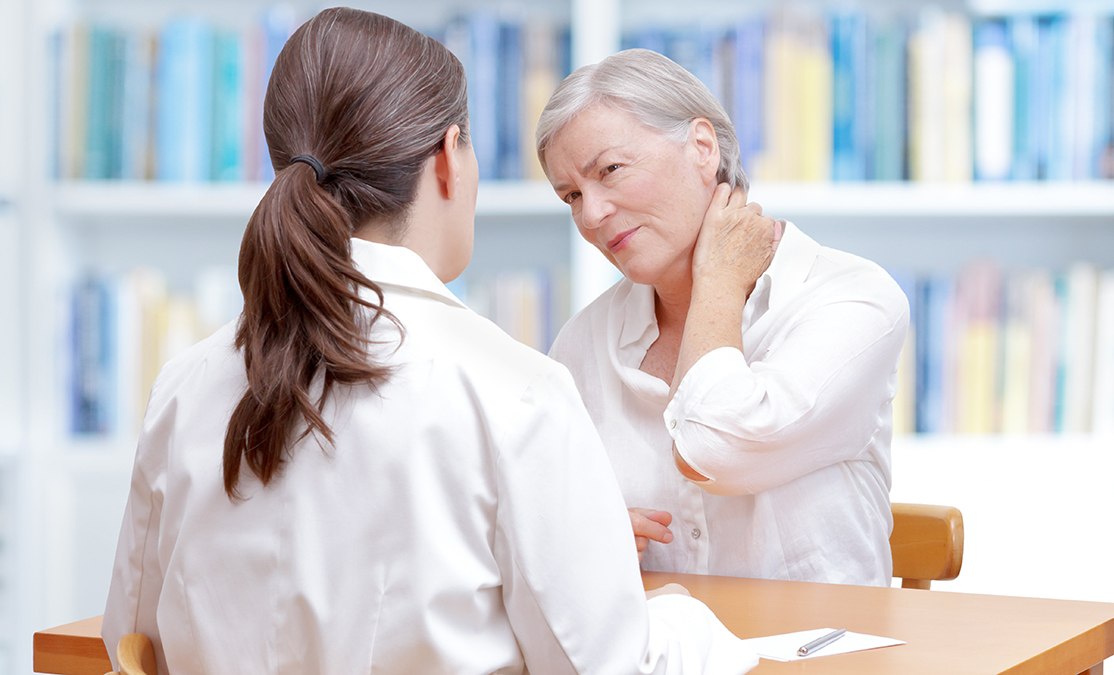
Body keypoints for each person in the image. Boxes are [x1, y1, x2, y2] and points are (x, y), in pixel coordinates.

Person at [102, 12, 758, 675]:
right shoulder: (513, 391)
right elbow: (608, 666)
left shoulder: (184, 385)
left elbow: (131, 645)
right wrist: (678, 616)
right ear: (449, 158)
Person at [537, 49, 909, 586]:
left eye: (611, 170)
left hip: (819, 640)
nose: (591, 215)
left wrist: (716, 283)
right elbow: (542, 521)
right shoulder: (581, 343)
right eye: (571, 195)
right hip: (659, 640)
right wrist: (582, 536)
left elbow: (712, 451)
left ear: (702, 147)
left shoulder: (852, 298)